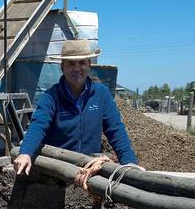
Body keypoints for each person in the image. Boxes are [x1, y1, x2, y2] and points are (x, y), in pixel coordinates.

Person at [13, 39, 138, 178]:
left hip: (90, 167)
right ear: (62, 67)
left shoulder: (101, 95)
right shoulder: (51, 97)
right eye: (71, 63)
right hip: (58, 168)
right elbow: (38, 125)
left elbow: (115, 129)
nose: (77, 68)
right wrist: (25, 152)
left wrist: (129, 162)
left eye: (82, 63)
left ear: (89, 65)